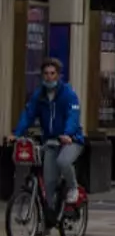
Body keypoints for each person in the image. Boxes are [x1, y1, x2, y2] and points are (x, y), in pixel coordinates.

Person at [5, 58, 85, 225]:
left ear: (58, 75)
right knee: (48, 181)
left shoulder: (68, 94)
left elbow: (73, 116)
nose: (49, 77)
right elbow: (28, 114)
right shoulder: (39, 95)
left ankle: (73, 188)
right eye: (46, 74)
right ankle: (48, 219)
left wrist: (68, 134)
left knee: (63, 161)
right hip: (50, 142)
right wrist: (17, 134)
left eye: (52, 73)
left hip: (72, 140)